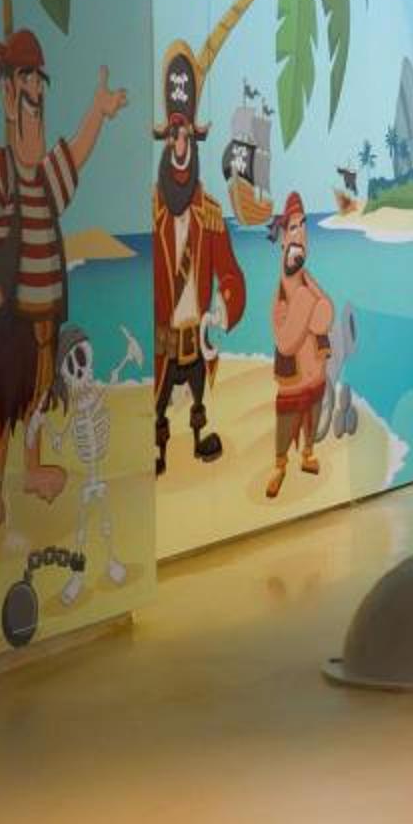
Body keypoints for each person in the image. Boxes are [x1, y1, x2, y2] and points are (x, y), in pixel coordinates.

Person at [0, 30, 124, 525]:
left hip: (46, 320)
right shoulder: (3, 175)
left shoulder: (45, 178)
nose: (35, 114)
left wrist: (98, 111)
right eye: (25, 92)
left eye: (39, 98)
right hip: (13, 320)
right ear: (9, 97)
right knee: (4, 405)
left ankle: (31, 469)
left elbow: (75, 153)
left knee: (35, 398)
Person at [150, 43, 245, 476]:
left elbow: (231, 273)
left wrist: (224, 307)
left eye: (187, 136)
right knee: (160, 403)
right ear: (166, 141)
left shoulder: (210, 213)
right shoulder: (153, 211)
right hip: (165, 341)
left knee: (198, 400)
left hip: (196, 339)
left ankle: (198, 438)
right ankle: (158, 449)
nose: (181, 144)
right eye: (174, 136)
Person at [267, 192, 335, 499]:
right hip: (293, 374)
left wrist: (313, 313)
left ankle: (307, 453)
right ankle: (280, 465)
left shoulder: (307, 279)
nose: (301, 233)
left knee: (314, 410)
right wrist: (308, 306)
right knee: (287, 416)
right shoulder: (284, 293)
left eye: (304, 226)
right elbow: (285, 341)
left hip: (315, 367)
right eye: (294, 227)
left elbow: (326, 312)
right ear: (284, 237)